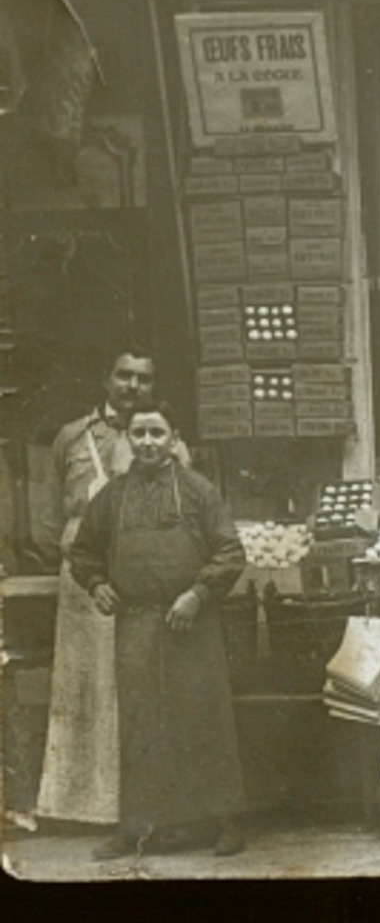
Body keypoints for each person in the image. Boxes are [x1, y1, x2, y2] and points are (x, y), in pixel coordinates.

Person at [67, 401, 247, 859]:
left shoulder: (199, 491)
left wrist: (198, 595)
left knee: (204, 719)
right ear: (128, 439)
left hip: (192, 623)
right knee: (140, 723)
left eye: (157, 433)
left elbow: (229, 552)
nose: (148, 442)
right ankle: (136, 829)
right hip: (137, 624)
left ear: (174, 438)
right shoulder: (110, 497)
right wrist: (97, 584)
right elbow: (83, 552)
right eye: (140, 433)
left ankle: (227, 823)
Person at [35, 347, 189, 829]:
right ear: (106, 379)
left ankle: (141, 806)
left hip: (144, 576)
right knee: (86, 686)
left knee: (140, 683)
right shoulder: (73, 437)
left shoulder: (164, 440)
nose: (132, 386)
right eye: (124, 376)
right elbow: (48, 516)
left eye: (144, 378)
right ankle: (80, 806)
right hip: (86, 578)